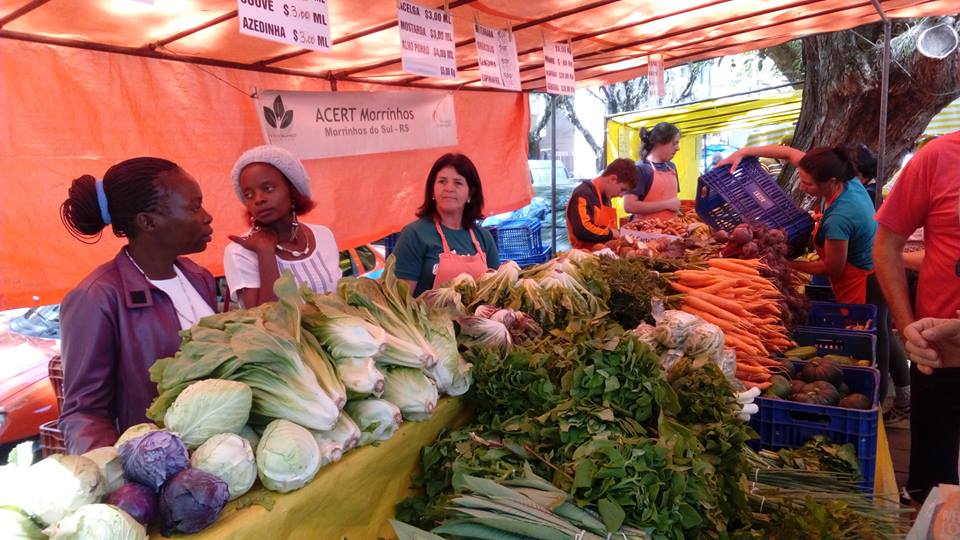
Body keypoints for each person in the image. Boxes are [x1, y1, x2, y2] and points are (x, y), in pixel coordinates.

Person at [720, 145, 908, 409]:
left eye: (808, 183)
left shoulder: (841, 216)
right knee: (884, 332)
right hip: (875, 270)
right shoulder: (847, 181)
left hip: (864, 280)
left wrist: (788, 263)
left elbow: (832, 267)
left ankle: (879, 402)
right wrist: (744, 152)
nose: (802, 185)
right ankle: (904, 395)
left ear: (830, 182)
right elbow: (787, 153)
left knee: (875, 343)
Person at [59, 158, 215, 453]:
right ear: (148, 222)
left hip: (221, 456)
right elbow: (85, 412)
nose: (207, 217)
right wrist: (115, 477)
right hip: (158, 472)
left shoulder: (199, 277)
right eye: (194, 207)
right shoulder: (96, 297)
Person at [874, 130, 960, 505]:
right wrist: (906, 324)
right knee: (935, 488)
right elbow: (886, 244)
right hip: (940, 357)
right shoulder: (938, 156)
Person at [224, 145, 340, 308]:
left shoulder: (323, 236)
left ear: (291, 190)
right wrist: (265, 252)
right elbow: (264, 322)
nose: (258, 199)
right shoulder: (240, 253)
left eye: (268, 188)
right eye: (248, 195)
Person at [393, 153, 499, 297]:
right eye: (442, 181)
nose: (449, 188)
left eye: (458, 183)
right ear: (432, 190)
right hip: (426, 319)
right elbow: (399, 301)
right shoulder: (414, 235)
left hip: (479, 319)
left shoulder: (484, 238)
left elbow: (496, 292)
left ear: (470, 194)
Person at [566, 158, 641, 250]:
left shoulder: (606, 197)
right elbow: (583, 230)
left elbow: (607, 227)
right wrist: (612, 233)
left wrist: (622, 230)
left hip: (603, 254)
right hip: (585, 256)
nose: (621, 196)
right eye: (622, 189)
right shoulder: (583, 194)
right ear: (613, 179)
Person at [623, 122, 681, 221]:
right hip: (645, 233)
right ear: (659, 142)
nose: (678, 148)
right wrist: (666, 205)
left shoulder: (671, 167)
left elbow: (672, 200)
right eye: (674, 143)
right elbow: (629, 206)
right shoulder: (640, 169)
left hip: (670, 231)